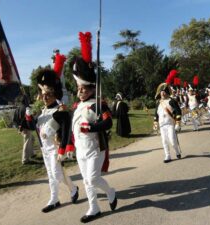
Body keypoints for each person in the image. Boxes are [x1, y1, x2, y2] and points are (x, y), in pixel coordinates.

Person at [70, 31, 117, 223]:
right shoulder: (76, 106)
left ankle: (111, 192)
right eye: (79, 89)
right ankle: (94, 208)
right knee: (86, 181)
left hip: (96, 149)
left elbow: (108, 122)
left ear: (91, 88)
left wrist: (91, 128)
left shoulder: (99, 103)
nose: (80, 92)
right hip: (81, 150)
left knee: (93, 179)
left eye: (84, 89)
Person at [27, 69, 79, 213]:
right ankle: (61, 195)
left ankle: (64, 193)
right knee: (52, 174)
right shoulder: (42, 111)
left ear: (54, 94)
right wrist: (29, 117)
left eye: (48, 95)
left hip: (55, 147)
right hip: (44, 148)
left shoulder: (60, 110)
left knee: (56, 174)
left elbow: (66, 130)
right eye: (43, 95)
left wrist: (64, 148)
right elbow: (34, 128)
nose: (45, 97)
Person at [153, 81, 182, 163]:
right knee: (164, 141)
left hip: (170, 124)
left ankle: (177, 151)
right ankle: (167, 155)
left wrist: (178, 123)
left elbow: (178, 112)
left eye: (164, 92)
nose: (162, 93)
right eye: (161, 92)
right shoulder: (158, 103)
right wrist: (155, 123)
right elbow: (156, 114)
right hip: (162, 125)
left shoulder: (172, 101)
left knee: (172, 140)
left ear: (167, 92)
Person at [13, 96, 35, 165]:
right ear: (26, 101)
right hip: (26, 128)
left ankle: (31, 154)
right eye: (27, 100)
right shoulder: (26, 108)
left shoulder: (17, 109)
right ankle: (25, 160)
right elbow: (30, 119)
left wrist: (18, 127)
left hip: (22, 128)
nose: (28, 101)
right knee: (26, 143)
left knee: (32, 139)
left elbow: (14, 121)